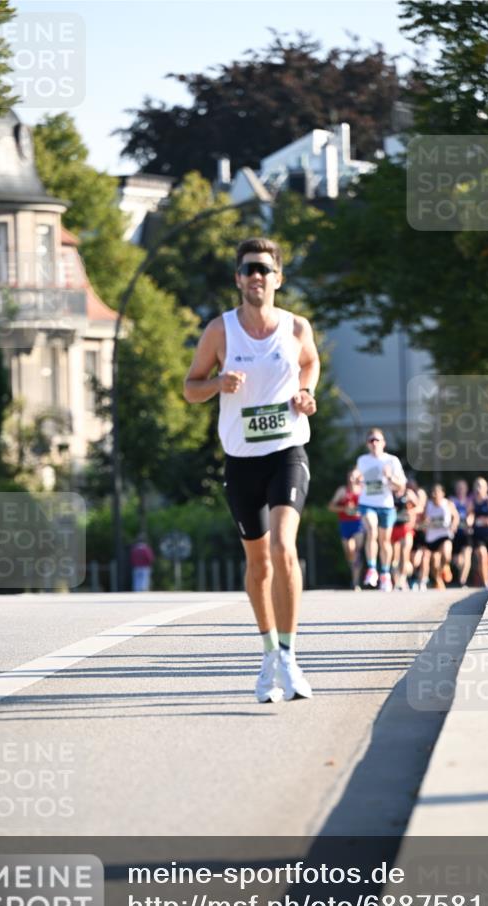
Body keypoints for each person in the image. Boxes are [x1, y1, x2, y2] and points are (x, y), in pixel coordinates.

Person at [183, 237, 319, 700]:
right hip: (242, 460)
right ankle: (268, 658)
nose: (255, 276)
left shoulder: (297, 327)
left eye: (263, 268)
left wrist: (306, 391)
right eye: (247, 270)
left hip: (287, 450)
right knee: (258, 562)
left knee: (284, 546)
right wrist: (217, 383)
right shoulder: (220, 332)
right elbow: (190, 388)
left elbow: (310, 361)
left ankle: (290, 656)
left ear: (278, 278)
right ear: (238, 280)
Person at [354, 428, 407, 591]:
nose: (374, 443)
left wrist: (390, 477)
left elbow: (401, 487)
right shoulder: (362, 460)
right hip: (367, 503)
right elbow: (357, 478)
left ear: (383, 443)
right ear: (367, 444)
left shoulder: (392, 461)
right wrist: (355, 477)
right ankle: (371, 569)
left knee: (384, 541)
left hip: (386, 505)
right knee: (371, 531)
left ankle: (385, 573)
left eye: (377, 440)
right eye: (371, 440)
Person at [418, 483, 459, 591]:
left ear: (442, 493)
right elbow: (424, 520)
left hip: (445, 534)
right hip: (431, 537)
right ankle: (438, 580)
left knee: (446, 554)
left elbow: (456, 516)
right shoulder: (429, 505)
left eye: (437, 492)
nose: (434, 495)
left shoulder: (448, 504)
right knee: (435, 563)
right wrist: (425, 524)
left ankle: (445, 566)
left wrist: (454, 525)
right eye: (433, 492)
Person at [328, 470, 364, 590]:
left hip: (358, 523)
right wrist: (344, 509)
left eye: (354, 477)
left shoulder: (363, 490)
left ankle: (355, 581)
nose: (352, 479)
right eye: (350, 477)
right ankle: (354, 570)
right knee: (349, 552)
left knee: (355, 549)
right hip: (345, 524)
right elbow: (331, 506)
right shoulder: (342, 490)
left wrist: (359, 510)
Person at [391, 482, 420, 590]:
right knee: (395, 556)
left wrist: (410, 511)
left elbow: (419, 507)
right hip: (393, 527)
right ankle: (396, 580)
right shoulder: (390, 493)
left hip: (406, 527)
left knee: (405, 553)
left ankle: (403, 579)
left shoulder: (408, 493)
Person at [449, 479, 473, 586]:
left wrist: (470, 522)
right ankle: (458, 577)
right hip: (455, 533)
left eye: (462, 488)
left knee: (467, 555)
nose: (460, 490)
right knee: (457, 561)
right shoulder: (452, 500)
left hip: (466, 532)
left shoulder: (469, 501)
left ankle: (462, 581)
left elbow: (471, 514)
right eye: (458, 488)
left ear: (466, 489)